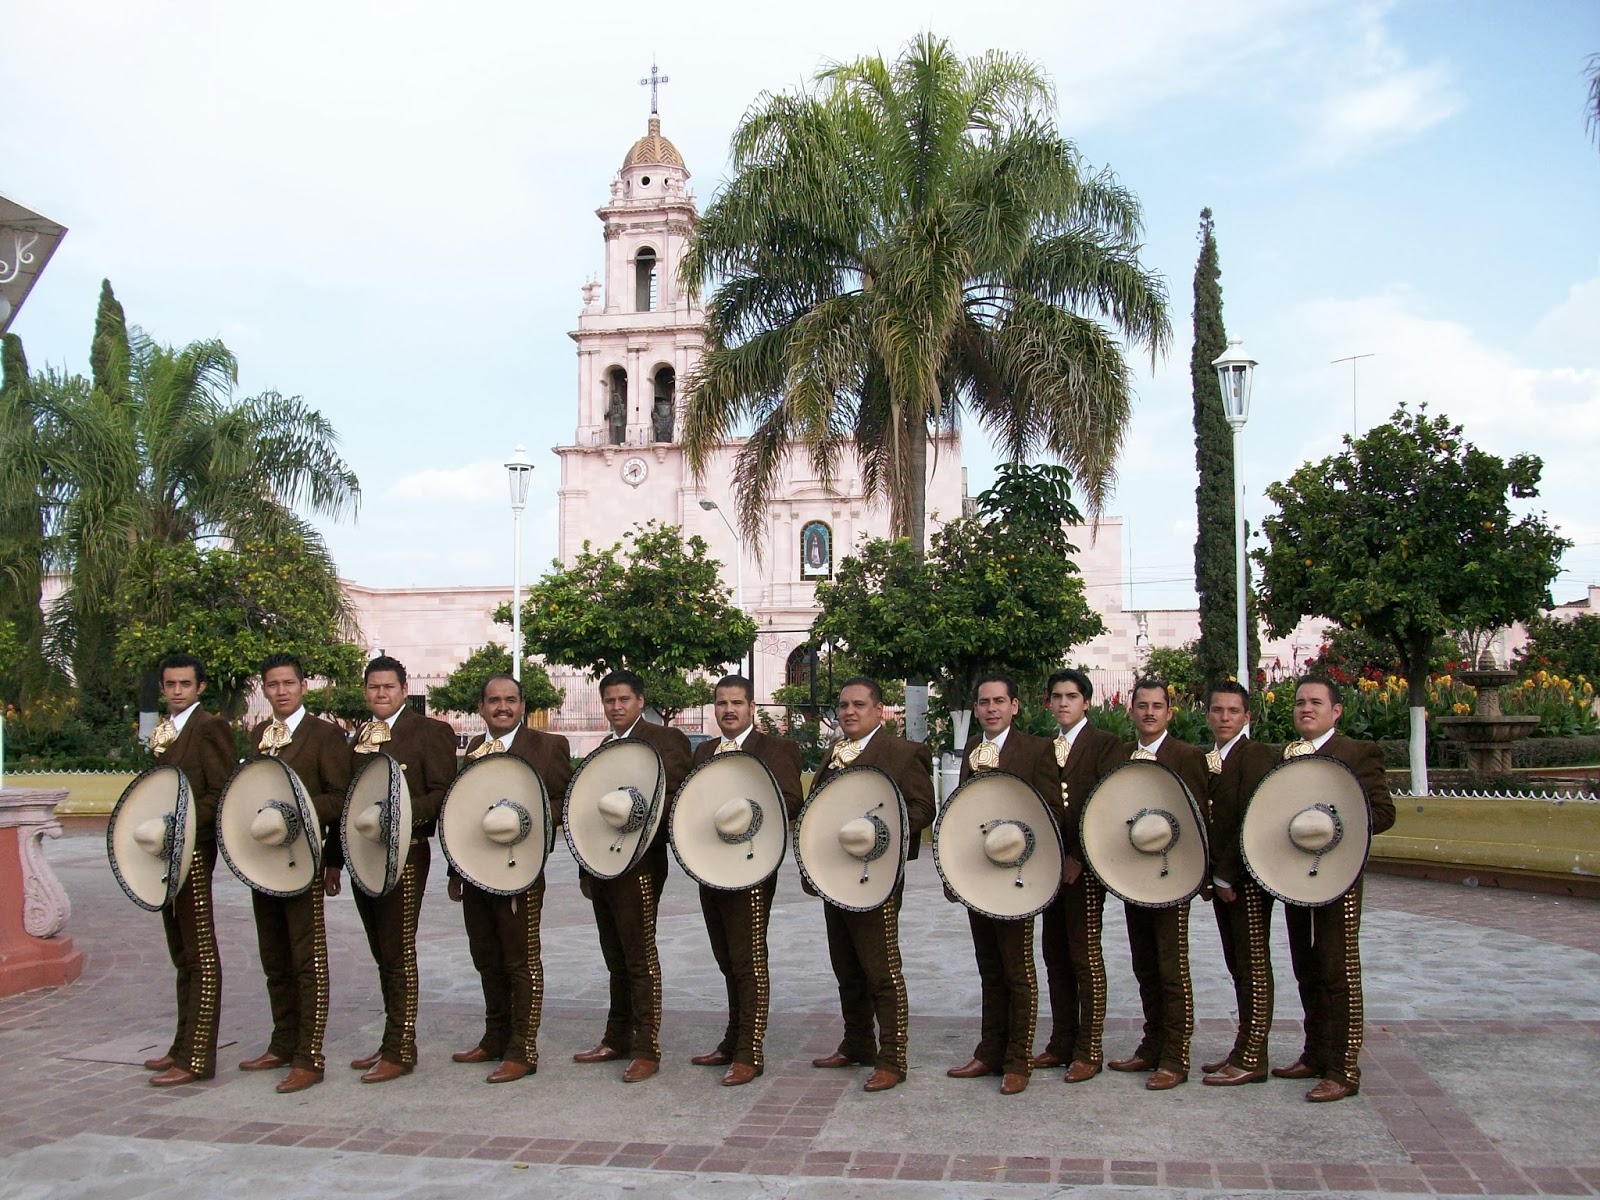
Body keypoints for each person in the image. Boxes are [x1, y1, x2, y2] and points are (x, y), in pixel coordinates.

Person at [808, 676, 934, 1093]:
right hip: (834, 874)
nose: (849, 712)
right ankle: (857, 1042)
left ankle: (892, 1057)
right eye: (844, 705)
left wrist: (879, 829)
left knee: (881, 970)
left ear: (879, 710)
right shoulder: (834, 753)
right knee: (846, 967)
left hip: (877, 873)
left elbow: (923, 807)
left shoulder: (903, 752)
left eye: (859, 705)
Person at [1272, 676, 1395, 1103]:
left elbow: (1383, 812)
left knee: (1338, 970)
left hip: (1339, 877)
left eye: (1316, 702)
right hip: (1296, 875)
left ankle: (1344, 1068)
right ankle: (1316, 1053)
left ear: (1336, 711)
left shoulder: (1358, 752)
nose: (1306, 709)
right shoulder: (1288, 756)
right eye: (1300, 703)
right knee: (1305, 966)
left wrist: (1334, 824)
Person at [448, 673, 573, 1083]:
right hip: (474, 869)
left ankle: (523, 1049)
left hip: (521, 868)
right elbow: (462, 811)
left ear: (523, 706)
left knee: (521, 960)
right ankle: (495, 1038)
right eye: (494, 700)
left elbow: (564, 801)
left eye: (510, 700)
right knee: (486, 957)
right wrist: (455, 870)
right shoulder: (473, 747)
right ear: (481, 707)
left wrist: (524, 818)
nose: (502, 707)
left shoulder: (549, 746)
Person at [239, 652, 354, 1093]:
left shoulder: (325, 735)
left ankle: (310, 1056)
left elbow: (338, 797)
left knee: (308, 960)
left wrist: (296, 812)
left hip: (304, 859)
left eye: (288, 683)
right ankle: (282, 1042)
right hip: (263, 860)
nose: (281, 691)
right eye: (273, 684)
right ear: (265, 689)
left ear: (303, 686)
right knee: (274, 957)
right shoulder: (259, 735)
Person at [572, 669, 692, 1083]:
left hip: (641, 863)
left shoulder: (665, 739)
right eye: (610, 700)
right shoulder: (602, 748)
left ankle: (646, 1047)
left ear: (640, 701)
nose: (616, 707)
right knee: (615, 956)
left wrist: (635, 815)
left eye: (624, 699)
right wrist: (585, 867)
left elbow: (675, 798)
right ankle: (616, 1037)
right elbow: (587, 811)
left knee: (639, 956)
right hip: (601, 865)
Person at [342, 655, 458, 1083]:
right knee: (380, 951)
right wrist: (335, 859)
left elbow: (442, 792)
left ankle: (401, 1047)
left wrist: (400, 813)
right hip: (363, 852)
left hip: (407, 851)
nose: (381, 694)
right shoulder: (359, 736)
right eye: (373, 687)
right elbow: (349, 801)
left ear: (404, 690)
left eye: (388, 687)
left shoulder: (430, 732)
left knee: (398, 949)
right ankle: (389, 1039)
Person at [685, 675, 803, 1086]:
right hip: (711, 865)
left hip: (753, 864)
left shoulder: (777, 749)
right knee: (726, 958)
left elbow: (791, 801)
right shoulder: (704, 751)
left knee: (749, 958)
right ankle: (733, 1038)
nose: (729, 710)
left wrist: (748, 813)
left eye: (737, 702)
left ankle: (750, 1050)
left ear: (752, 707)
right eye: (721, 703)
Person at [947, 673, 1060, 1096]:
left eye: (999, 701)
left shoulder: (1036, 749)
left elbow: (1052, 812)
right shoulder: (973, 750)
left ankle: (1018, 1060)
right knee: (989, 968)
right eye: (984, 702)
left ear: (1015, 705)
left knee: (1018, 970)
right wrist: (953, 872)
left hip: (1019, 873)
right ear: (976, 708)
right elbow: (962, 813)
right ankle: (989, 1051)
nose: (991, 708)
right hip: (978, 873)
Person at [1107, 677, 1211, 1090]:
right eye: (1142, 706)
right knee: (1144, 963)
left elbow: (1199, 818)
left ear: (1169, 712)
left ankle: (1175, 1055)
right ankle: (1152, 1044)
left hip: (1173, 875)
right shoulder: (1122, 755)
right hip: (1135, 874)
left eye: (1157, 706)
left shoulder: (1187, 756)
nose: (1149, 713)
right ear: (1131, 711)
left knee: (1171, 966)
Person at [142, 653, 236, 1087]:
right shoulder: (167, 729)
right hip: (167, 850)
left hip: (194, 849)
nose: (177, 691)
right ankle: (181, 1045)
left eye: (184, 684)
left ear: (200, 687)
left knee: (199, 952)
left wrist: (179, 822)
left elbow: (220, 792)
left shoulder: (209, 727)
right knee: (180, 952)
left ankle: (198, 1055)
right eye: (170, 684)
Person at [1033, 668, 1123, 1083]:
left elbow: (1107, 806)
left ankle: (1090, 1049)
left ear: (1086, 702)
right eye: (1057, 696)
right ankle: (1061, 1042)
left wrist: (1079, 857)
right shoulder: (1044, 747)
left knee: (1085, 957)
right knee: (1055, 956)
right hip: (1050, 869)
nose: (1063, 703)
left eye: (1071, 696)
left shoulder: (1105, 745)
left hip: (1083, 869)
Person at [1199, 680, 1281, 1087]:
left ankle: (1253, 1057)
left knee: (1252, 966)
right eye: (1217, 710)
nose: (1225, 718)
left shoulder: (1256, 755)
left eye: (1233, 711)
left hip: (1246, 878)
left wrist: (1226, 873)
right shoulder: (1211, 758)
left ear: (1247, 717)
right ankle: (1243, 1048)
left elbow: (1254, 816)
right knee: (1238, 965)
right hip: (1221, 879)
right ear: (1207, 715)